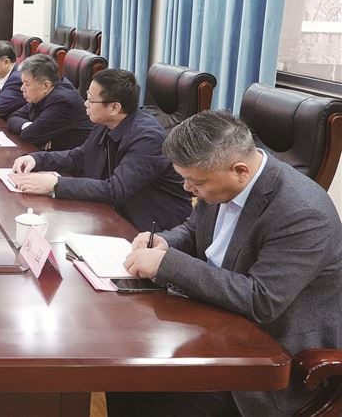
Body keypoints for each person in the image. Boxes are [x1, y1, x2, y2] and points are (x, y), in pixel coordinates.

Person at [116, 110, 342, 417]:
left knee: (155, 388)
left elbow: (261, 300)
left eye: (195, 182)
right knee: (126, 369)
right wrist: (165, 242)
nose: (187, 189)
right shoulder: (221, 182)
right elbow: (194, 230)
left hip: (272, 355)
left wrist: (167, 264)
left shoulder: (302, 213)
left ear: (240, 171)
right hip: (217, 322)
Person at [11, 69, 191, 231]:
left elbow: (115, 190)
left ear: (114, 108)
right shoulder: (105, 123)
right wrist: (36, 159)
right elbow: (78, 157)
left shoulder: (148, 139)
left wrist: (55, 184)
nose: (85, 104)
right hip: (112, 213)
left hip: (151, 227)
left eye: (90, 99)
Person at [6, 54, 93, 150]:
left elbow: (29, 135)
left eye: (26, 84)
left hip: (76, 156)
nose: (22, 88)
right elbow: (12, 117)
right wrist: (29, 126)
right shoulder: (42, 94)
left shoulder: (63, 102)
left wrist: (36, 133)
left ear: (46, 86)